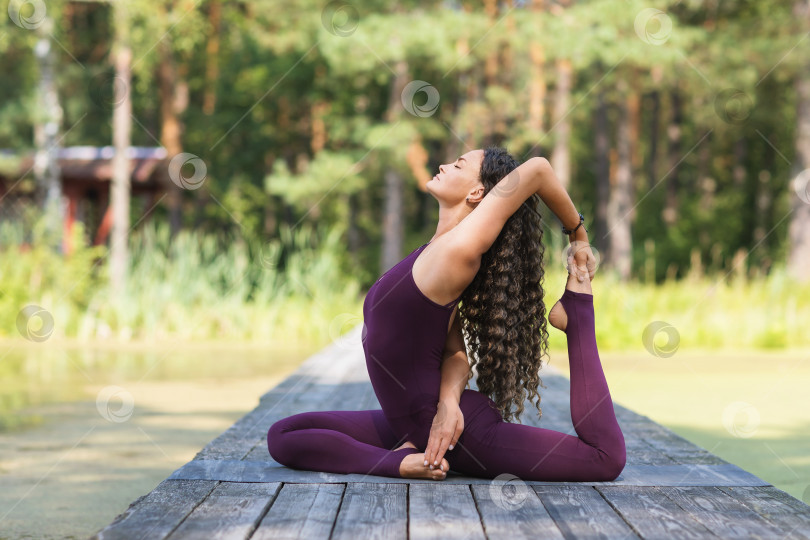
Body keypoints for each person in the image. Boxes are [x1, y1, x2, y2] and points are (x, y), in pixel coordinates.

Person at [267, 146, 626, 482]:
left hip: (460, 434)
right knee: (284, 434)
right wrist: (448, 403)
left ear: (476, 194)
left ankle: (578, 317)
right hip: (421, 421)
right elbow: (454, 353)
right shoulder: (435, 253)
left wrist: (577, 236)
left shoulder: (458, 250)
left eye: (458, 166)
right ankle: (407, 455)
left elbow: (538, 170)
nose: (442, 165)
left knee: (604, 458)